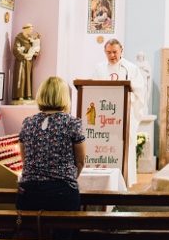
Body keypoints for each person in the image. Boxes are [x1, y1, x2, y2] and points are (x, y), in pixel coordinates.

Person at [16, 76, 86, 211]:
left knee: (31, 231)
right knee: (64, 232)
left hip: (29, 193)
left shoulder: (28, 123)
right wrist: (67, 179)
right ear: (64, 97)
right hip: (61, 193)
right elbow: (80, 162)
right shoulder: (72, 123)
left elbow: (25, 160)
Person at [92, 38, 147, 180]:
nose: (112, 56)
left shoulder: (131, 68)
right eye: (108, 52)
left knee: (123, 146)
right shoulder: (99, 68)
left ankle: (125, 180)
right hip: (104, 118)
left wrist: (129, 99)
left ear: (121, 50)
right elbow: (92, 91)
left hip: (123, 116)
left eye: (115, 52)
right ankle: (103, 181)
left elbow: (140, 92)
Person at [12, 23, 40, 102]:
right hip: (21, 61)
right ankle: (19, 95)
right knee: (21, 77)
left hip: (28, 61)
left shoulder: (30, 38)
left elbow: (34, 47)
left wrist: (34, 53)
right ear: (25, 29)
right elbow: (15, 49)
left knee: (28, 77)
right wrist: (23, 55)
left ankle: (27, 95)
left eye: (32, 29)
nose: (31, 31)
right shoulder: (19, 38)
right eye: (30, 29)